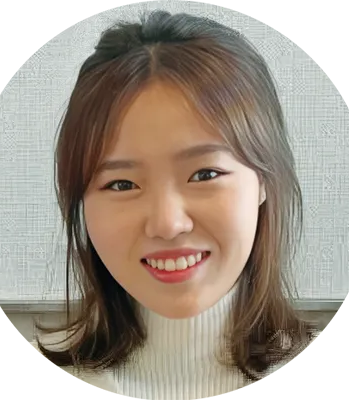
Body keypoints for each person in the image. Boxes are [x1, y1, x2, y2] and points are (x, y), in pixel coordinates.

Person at [28, 9, 321, 398]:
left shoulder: (336, 375)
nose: (167, 224)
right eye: (121, 184)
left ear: (264, 180)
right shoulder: (21, 378)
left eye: (205, 174)